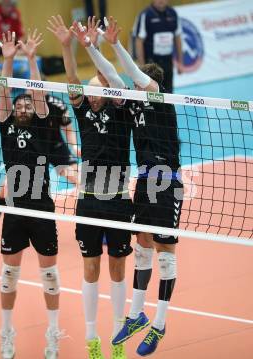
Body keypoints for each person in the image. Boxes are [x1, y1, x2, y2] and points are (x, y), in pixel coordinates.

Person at [96, 16, 183, 356]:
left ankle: (159, 324)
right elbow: (115, 77)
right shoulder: (133, 102)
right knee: (142, 243)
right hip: (144, 180)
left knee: (165, 253)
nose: (132, 86)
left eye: (139, 82)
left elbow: (131, 75)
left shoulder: (160, 98)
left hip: (167, 182)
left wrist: (116, 43)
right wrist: (91, 46)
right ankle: (136, 314)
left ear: (149, 83)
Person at [48, 15, 133, 359]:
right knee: (91, 268)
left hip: (118, 199)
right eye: (91, 91)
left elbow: (111, 77)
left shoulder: (122, 108)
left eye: (100, 89)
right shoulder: (83, 112)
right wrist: (67, 46)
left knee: (117, 267)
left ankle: (116, 336)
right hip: (89, 200)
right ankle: (92, 337)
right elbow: (70, 79)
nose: (93, 95)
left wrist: (96, 46)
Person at [0, 29, 64, 359]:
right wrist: (9, 60)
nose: (22, 105)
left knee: (48, 273)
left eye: (27, 102)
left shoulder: (41, 124)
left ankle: (53, 334)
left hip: (41, 206)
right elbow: (3, 91)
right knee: (9, 273)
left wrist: (32, 59)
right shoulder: (6, 125)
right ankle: (6, 333)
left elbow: (38, 94)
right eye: (19, 102)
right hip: (14, 209)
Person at [0, 93, 80, 250]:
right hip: (32, 148)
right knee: (4, 187)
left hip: (55, 148)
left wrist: (74, 146)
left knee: (80, 180)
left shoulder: (57, 104)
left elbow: (67, 128)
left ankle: (94, 225)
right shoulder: (21, 104)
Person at [133, 0, 183, 93]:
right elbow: (139, 41)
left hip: (168, 63)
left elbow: (178, 37)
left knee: (169, 94)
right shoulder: (146, 15)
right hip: (152, 65)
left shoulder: (173, 13)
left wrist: (180, 62)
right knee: (153, 95)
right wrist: (143, 67)